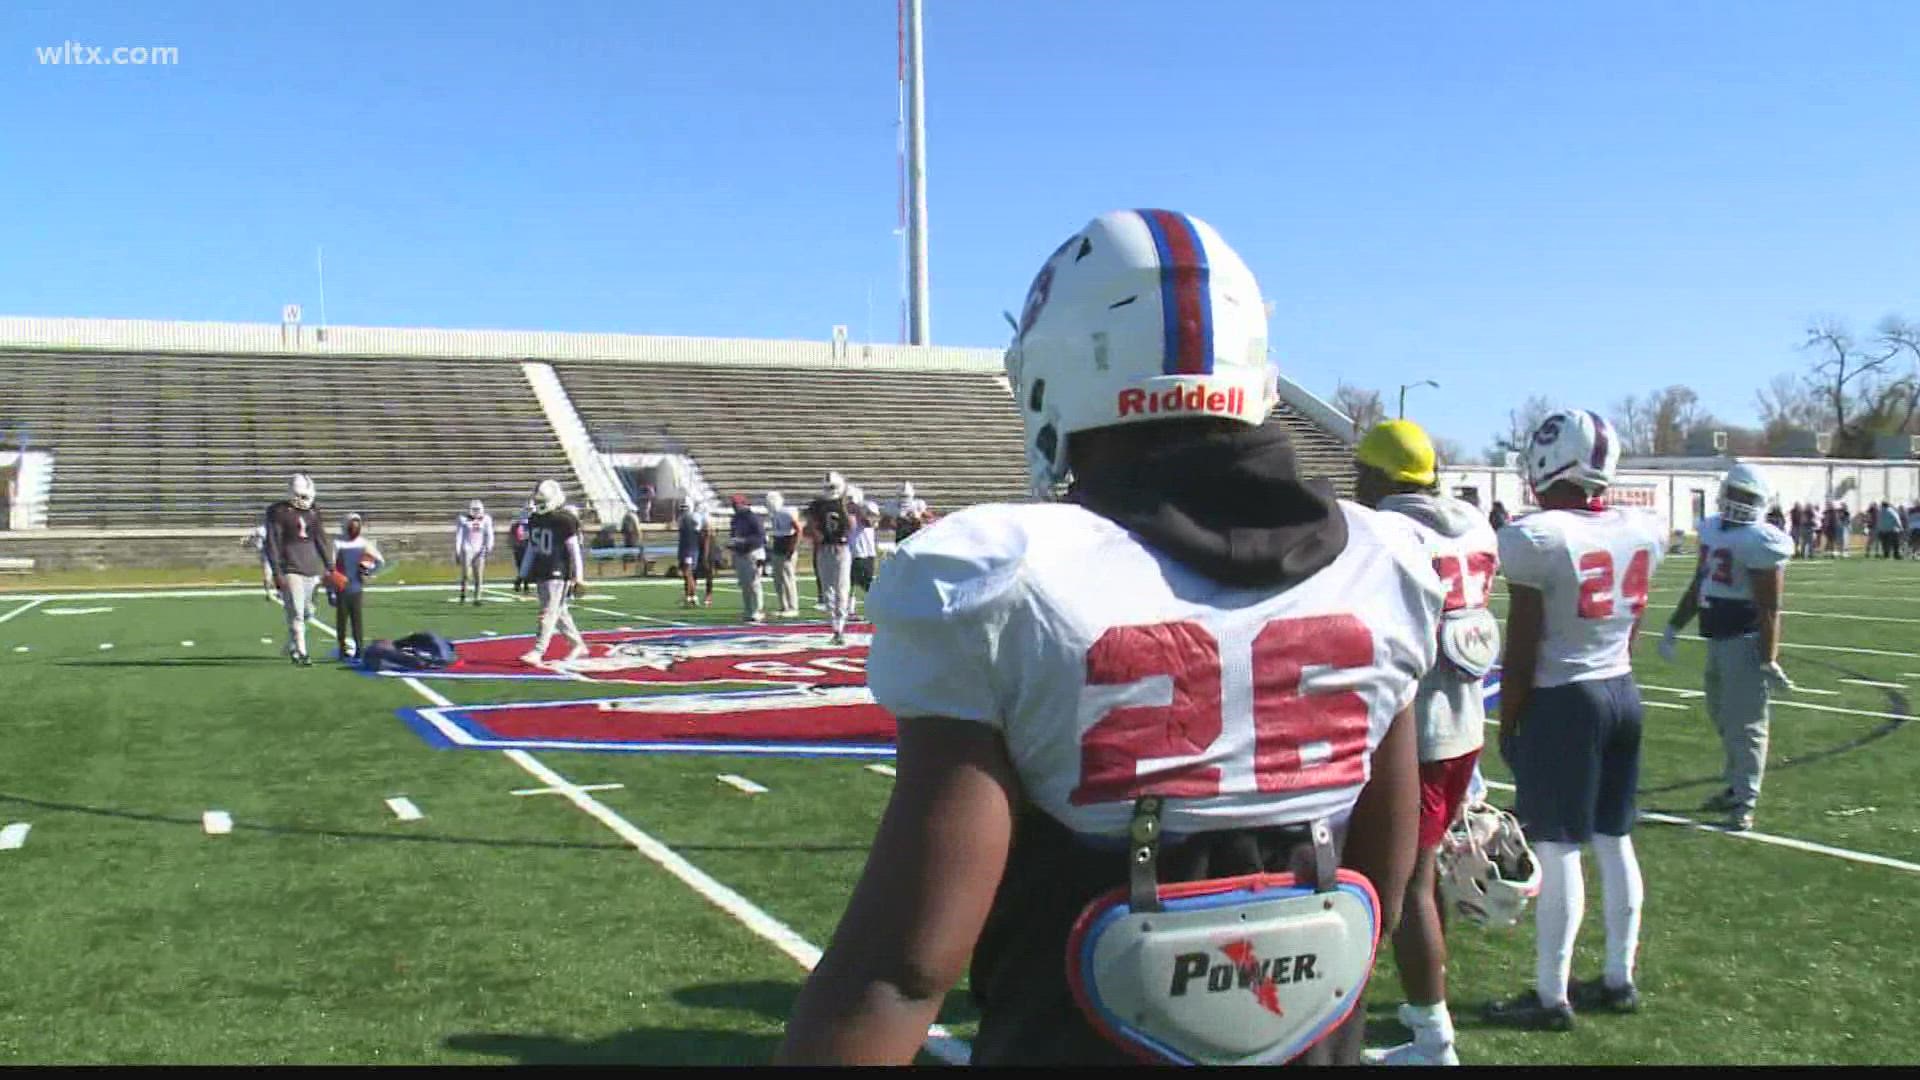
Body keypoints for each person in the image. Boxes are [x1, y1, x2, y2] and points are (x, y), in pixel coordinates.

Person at [778, 209, 1440, 1066]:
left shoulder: (1001, 576)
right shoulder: (1386, 563)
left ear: (1058, 372)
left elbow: (902, 969)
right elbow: (1374, 891)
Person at [1483, 410, 1665, 1032]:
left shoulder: (1538, 537)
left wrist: (1509, 723)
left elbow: (1525, 643)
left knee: (1558, 844)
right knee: (1615, 837)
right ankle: (1619, 977)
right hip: (1620, 687)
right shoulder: (1641, 525)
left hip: (1564, 699)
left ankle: (1550, 994)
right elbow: (1633, 623)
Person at [1351, 420, 1500, 1067]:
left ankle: (1435, 1042)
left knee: (1399, 886)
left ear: (1380, 477)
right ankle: (1425, 1014)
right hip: (1465, 720)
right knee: (1423, 877)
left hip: (1418, 730)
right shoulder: (1476, 523)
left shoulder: (1385, 532)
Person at [1658, 465, 1796, 832]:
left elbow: (1769, 606)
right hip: (1716, 637)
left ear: (1761, 503)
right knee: (1722, 715)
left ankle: (1744, 802)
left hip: (1744, 639)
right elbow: (1699, 582)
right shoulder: (1712, 530)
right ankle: (1736, 785)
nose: (1738, 503)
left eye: (1747, 497)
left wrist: (1768, 659)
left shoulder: (1761, 540)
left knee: (1747, 724)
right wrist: (1674, 625)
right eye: (1734, 494)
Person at [263, 473, 334, 667]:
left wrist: (330, 567)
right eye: (301, 496)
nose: (305, 501)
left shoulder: (314, 512)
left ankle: (293, 642)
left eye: (307, 496)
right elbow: (272, 543)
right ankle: (302, 652)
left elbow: (321, 539)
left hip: (312, 568)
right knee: (296, 613)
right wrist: (277, 572)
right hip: (291, 568)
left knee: (308, 611)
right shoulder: (278, 512)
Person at [517, 479, 589, 666]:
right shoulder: (536, 519)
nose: (539, 505)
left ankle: (538, 651)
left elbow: (574, 550)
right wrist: (522, 573)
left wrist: (579, 577)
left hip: (558, 571)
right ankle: (578, 645)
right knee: (560, 612)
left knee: (548, 612)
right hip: (542, 569)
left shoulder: (564, 520)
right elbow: (532, 548)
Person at [805, 472, 855, 646]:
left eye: (833, 487)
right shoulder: (816, 506)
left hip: (840, 548)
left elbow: (852, 525)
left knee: (841, 588)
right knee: (828, 591)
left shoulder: (847, 503)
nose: (830, 490)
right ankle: (835, 626)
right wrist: (814, 531)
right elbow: (809, 529)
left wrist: (846, 508)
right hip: (825, 548)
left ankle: (840, 626)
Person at [330, 513, 384, 662]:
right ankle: (342, 649)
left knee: (356, 620)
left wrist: (368, 571)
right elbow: (331, 567)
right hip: (342, 587)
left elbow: (379, 561)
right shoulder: (338, 543)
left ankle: (359, 649)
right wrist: (331, 589)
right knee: (342, 620)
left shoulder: (363, 543)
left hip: (356, 587)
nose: (354, 529)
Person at [728, 494, 768, 624]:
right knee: (745, 585)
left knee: (754, 583)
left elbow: (760, 537)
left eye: (736, 504)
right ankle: (748, 610)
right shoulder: (735, 519)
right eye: (733, 504)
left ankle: (757, 610)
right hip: (740, 554)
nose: (734, 506)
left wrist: (743, 541)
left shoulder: (752, 518)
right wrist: (733, 545)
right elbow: (733, 534)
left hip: (753, 553)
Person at [846, 485, 881, 618]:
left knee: (868, 584)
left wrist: (859, 511)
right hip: (850, 551)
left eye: (851, 500)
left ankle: (878, 609)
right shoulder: (845, 511)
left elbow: (871, 522)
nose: (848, 503)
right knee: (849, 584)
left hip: (865, 552)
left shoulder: (868, 506)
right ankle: (850, 611)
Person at [766, 490, 801, 617]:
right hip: (777, 547)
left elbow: (798, 529)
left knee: (788, 578)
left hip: (786, 548)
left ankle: (793, 607)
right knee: (778, 579)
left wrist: (792, 548)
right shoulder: (773, 514)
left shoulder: (786, 512)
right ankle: (783, 606)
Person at [455, 499, 495, 604]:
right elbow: (459, 536)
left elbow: (490, 534)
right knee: (466, 575)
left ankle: (477, 598)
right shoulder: (463, 519)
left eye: (478, 509)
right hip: (467, 548)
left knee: (479, 575)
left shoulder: (486, 519)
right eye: (474, 509)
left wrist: (488, 547)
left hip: (480, 549)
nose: (476, 512)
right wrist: (458, 551)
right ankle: (463, 593)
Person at [676, 498, 714, 607]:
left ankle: (692, 596)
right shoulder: (685, 518)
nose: (682, 510)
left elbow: (704, 533)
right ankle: (690, 595)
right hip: (687, 548)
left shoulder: (692, 519)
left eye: (684, 507)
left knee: (688, 573)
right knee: (688, 573)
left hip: (690, 549)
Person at [244, 523, 275, 601]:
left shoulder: (277, 527)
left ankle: (281, 591)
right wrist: (247, 542)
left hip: (277, 554)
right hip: (267, 555)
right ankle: (268, 593)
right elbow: (252, 537)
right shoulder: (261, 530)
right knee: (268, 575)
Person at [510, 499, 534, 593]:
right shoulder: (518, 521)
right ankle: (522, 585)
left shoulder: (536, 519)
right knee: (522, 567)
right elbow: (515, 534)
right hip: (520, 546)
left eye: (530, 509)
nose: (529, 511)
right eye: (527, 509)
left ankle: (521, 584)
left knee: (527, 566)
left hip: (529, 545)